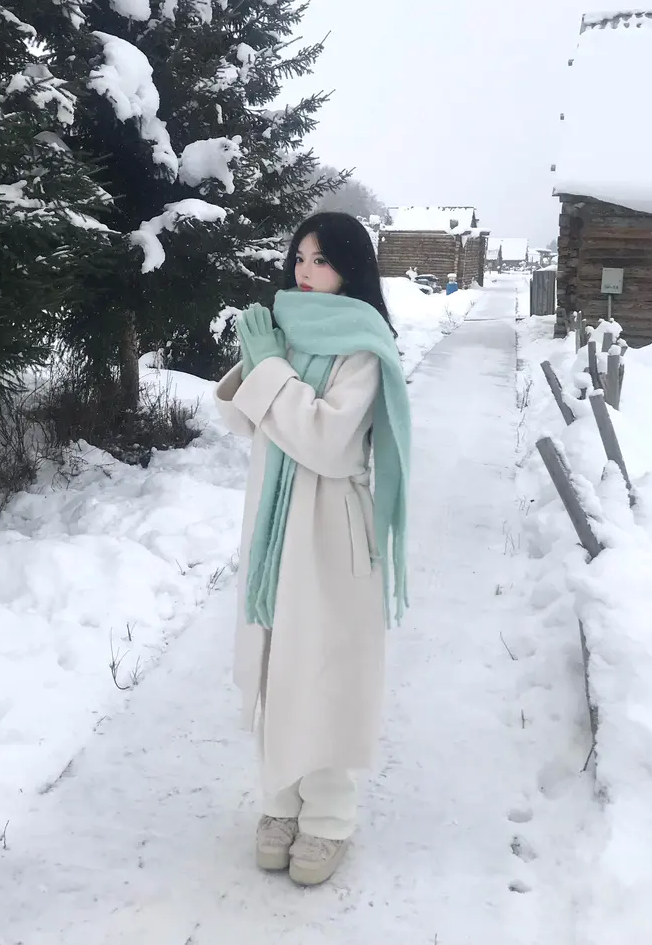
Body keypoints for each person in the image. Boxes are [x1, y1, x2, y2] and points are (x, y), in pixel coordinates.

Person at [214, 212, 411, 887]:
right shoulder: (287, 330)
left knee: (323, 670)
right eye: (299, 256)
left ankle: (328, 817)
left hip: (330, 528)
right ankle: (279, 803)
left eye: (321, 260)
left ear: (350, 268)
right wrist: (258, 359)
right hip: (274, 526)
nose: (304, 270)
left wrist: (269, 367)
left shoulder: (363, 344)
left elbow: (325, 441)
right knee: (277, 662)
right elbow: (242, 418)